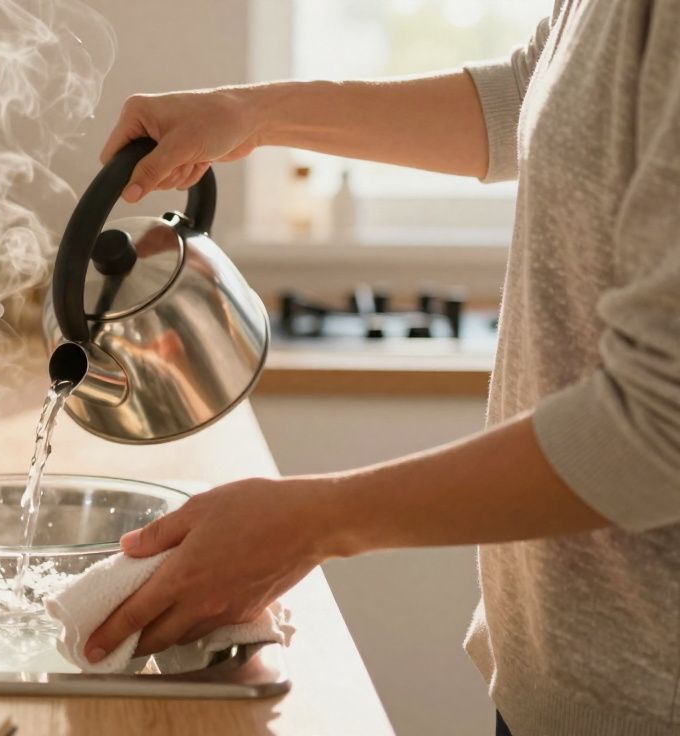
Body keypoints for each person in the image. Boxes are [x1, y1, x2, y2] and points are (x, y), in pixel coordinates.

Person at [83, 2, 680, 733]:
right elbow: (531, 96)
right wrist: (251, 113)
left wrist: (308, 525)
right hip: (559, 672)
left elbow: (661, 430)